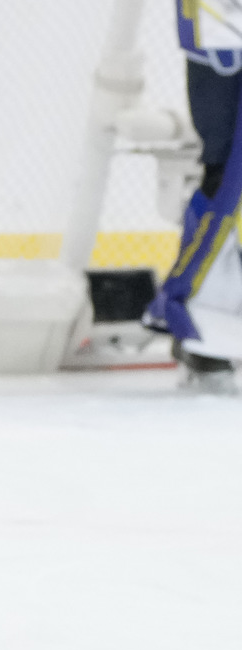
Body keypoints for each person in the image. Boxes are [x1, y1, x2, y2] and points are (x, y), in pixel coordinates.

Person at [148, 0, 242, 390]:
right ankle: (198, 322)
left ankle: (203, 321)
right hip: (221, 32)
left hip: (219, 30)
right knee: (225, 173)